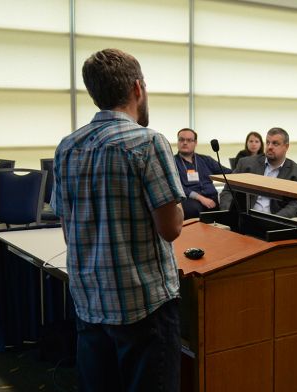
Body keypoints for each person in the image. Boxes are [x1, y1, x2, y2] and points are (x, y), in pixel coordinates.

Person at [51, 48, 185, 391]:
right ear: (138, 89)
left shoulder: (68, 146)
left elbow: (69, 233)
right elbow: (170, 229)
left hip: (90, 304)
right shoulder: (148, 142)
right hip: (144, 308)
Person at [220, 127, 297, 218]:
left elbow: (296, 204)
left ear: (286, 147)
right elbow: (228, 190)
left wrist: (274, 220)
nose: (270, 147)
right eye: (268, 142)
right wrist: (229, 213)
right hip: (244, 218)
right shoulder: (246, 164)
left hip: (274, 222)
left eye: (275, 143)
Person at [173, 128, 232, 219]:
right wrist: (200, 198)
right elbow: (176, 186)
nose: (185, 142)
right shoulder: (172, 162)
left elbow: (227, 173)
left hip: (212, 197)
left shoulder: (205, 159)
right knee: (193, 209)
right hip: (190, 199)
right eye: (181, 139)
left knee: (229, 207)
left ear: (195, 143)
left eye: (189, 140)